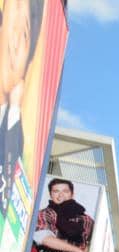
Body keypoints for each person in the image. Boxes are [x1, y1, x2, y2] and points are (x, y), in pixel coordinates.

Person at [0, 0, 46, 224]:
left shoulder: (16, 139)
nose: (13, 43)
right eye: (10, 26)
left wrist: (16, 107)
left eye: (24, 34)